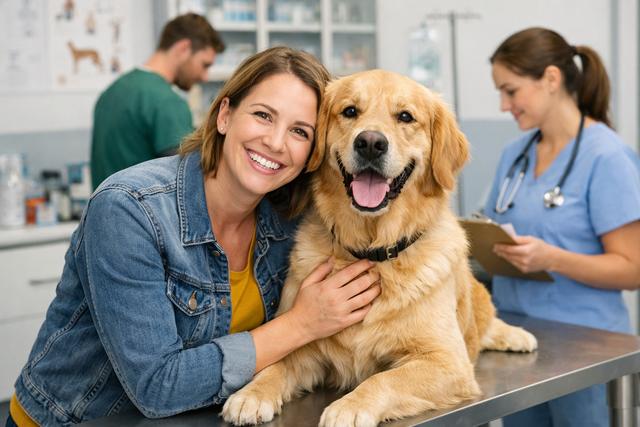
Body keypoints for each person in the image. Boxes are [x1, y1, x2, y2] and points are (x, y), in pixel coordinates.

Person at [7, 46, 381, 427]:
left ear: (313, 151)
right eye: (263, 115)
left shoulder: (292, 222)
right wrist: (301, 324)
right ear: (224, 115)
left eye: (300, 131)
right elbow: (157, 386)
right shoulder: (130, 210)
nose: (275, 142)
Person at [484, 27, 640, 427]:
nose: (504, 105)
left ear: (551, 79)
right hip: (518, 345)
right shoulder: (513, 155)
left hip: (588, 351)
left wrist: (551, 258)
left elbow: (633, 268)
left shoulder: (607, 157)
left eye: (511, 90)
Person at [90, 13, 225, 189]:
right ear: (184, 49)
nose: (205, 77)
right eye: (204, 65)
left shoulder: (112, 91)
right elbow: (188, 181)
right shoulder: (167, 102)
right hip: (139, 214)